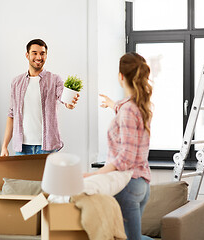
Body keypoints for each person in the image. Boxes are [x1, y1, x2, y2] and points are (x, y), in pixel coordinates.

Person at [84, 52, 153, 240]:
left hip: (128, 185)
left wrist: (94, 174)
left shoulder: (128, 111)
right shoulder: (138, 106)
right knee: (133, 237)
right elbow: (124, 111)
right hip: (141, 184)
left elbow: (125, 158)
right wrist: (110, 104)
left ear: (120, 76)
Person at [0, 39, 78, 156]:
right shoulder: (16, 82)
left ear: (46, 55)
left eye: (42, 53)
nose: (39, 57)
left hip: (47, 147)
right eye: (34, 53)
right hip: (22, 148)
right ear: (27, 55)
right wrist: (4, 146)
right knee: (23, 175)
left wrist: (69, 103)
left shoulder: (55, 79)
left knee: (48, 176)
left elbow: (63, 97)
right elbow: (12, 115)